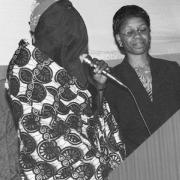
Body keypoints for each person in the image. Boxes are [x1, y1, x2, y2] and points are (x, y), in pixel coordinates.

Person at [5, 0, 125, 179]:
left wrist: (98, 88)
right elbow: (47, 139)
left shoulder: (76, 69)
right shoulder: (26, 70)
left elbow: (95, 126)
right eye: (67, 34)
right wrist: (102, 170)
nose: (74, 41)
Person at [93, 5, 180, 157]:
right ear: (119, 39)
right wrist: (100, 88)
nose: (138, 36)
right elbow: (101, 126)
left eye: (142, 29)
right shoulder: (111, 78)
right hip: (138, 162)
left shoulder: (172, 69)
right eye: (130, 32)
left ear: (149, 33)